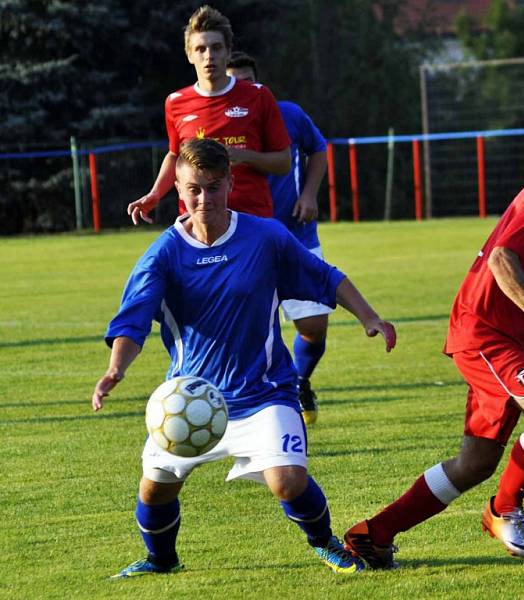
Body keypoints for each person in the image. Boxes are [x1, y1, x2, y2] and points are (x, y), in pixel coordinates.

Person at [92, 138, 396, 578]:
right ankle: (161, 561)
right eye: (195, 188)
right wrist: (115, 369)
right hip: (190, 400)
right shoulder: (164, 253)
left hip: (265, 393)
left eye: (214, 187)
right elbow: (133, 320)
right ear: (179, 188)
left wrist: (369, 316)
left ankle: (324, 542)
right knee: (155, 490)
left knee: (287, 481)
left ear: (231, 183)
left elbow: (325, 277)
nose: (204, 198)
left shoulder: (265, 237)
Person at [344, 107, 524, 568]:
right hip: (484, 331)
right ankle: (503, 510)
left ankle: (371, 534)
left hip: (506, 338)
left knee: (475, 463)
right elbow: (501, 258)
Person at [226, 51, 330, 425]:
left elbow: (318, 149)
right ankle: (261, 404)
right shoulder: (219, 125)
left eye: (249, 82)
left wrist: (309, 194)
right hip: (245, 243)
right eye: (234, 82)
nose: (244, 89)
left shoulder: (287, 114)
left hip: (296, 233)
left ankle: (301, 379)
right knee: (251, 330)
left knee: (315, 327)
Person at [127, 5, 291, 225]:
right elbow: (175, 155)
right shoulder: (176, 102)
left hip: (252, 221)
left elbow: (284, 162)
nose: (209, 56)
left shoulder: (258, 95)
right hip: (197, 225)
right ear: (189, 55)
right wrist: (156, 193)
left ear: (228, 51)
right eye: (200, 49)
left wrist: (245, 156)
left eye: (216, 48)